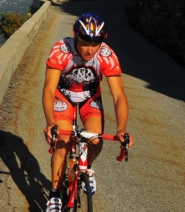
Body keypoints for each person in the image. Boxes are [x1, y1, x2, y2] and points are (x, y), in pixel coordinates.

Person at [42, 12, 134, 212]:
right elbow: (49, 89)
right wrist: (51, 122)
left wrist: (121, 129)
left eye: (95, 44)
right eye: (84, 43)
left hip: (89, 97)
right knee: (62, 143)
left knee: (95, 141)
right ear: (75, 37)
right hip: (63, 96)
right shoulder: (61, 50)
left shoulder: (106, 56)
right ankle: (55, 194)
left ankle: (85, 168)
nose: (89, 50)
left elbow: (119, 96)